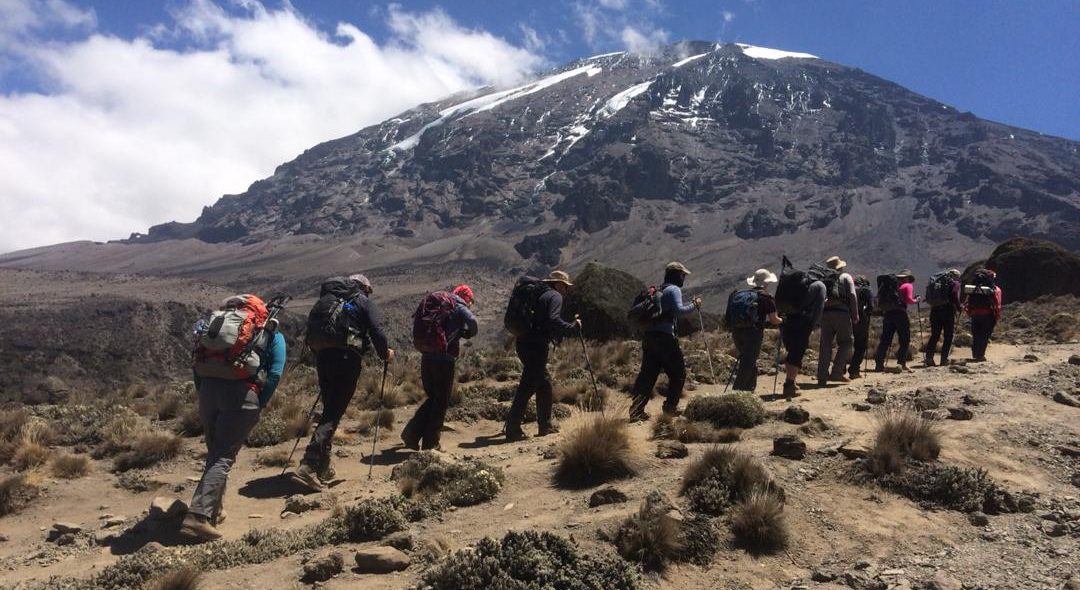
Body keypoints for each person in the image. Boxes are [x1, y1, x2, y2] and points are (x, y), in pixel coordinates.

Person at [181, 297, 287, 542]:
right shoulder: (267, 330)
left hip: (208, 390)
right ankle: (198, 516)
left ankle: (213, 509)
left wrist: (203, 392)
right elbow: (275, 373)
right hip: (242, 394)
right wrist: (259, 401)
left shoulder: (215, 327)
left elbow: (197, 364)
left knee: (215, 452)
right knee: (223, 456)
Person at [295, 274, 394, 491]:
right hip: (346, 359)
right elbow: (377, 331)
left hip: (323, 357)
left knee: (331, 408)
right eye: (369, 290)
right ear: (364, 288)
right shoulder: (363, 301)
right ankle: (309, 465)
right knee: (334, 411)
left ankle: (324, 465)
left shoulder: (329, 299)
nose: (369, 294)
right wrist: (384, 353)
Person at [504, 271, 581, 440]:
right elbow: (553, 319)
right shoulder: (554, 296)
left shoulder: (538, 293)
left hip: (522, 341)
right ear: (559, 284)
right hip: (537, 345)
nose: (565, 291)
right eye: (565, 287)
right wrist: (572, 327)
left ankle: (545, 426)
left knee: (544, 384)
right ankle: (513, 428)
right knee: (527, 386)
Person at [401, 285, 478, 451]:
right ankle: (431, 444)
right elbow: (472, 321)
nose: (470, 304)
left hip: (426, 357)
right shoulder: (459, 306)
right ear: (466, 298)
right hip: (444, 360)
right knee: (441, 401)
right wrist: (469, 333)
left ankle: (411, 434)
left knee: (433, 398)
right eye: (470, 300)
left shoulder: (440, 304)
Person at [629, 262, 700, 421]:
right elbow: (679, 312)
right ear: (677, 275)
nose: (684, 279)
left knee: (648, 375)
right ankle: (670, 408)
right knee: (678, 373)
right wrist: (694, 305)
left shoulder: (658, 290)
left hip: (649, 338)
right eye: (683, 275)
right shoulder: (674, 289)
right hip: (665, 338)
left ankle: (636, 410)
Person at [731, 269, 782, 392]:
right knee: (748, 362)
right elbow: (774, 320)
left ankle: (749, 389)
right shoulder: (766, 298)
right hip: (753, 333)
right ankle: (737, 392)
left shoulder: (742, 295)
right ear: (766, 282)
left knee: (747, 359)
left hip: (737, 331)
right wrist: (783, 320)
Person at [816, 256, 859, 386]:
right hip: (841, 313)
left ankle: (822, 376)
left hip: (825, 314)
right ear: (841, 267)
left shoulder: (823, 279)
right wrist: (855, 314)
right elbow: (852, 294)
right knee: (846, 342)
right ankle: (836, 373)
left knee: (825, 345)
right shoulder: (845, 276)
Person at [781, 278, 826, 399]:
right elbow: (819, 308)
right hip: (803, 322)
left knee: (792, 351)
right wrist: (813, 325)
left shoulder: (800, 284)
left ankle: (791, 382)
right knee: (797, 352)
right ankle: (789, 386)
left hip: (788, 319)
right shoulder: (820, 286)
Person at [875, 269, 918, 372]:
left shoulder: (890, 286)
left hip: (888, 314)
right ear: (907, 278)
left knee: (885, 340)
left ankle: (879, 364)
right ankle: (901, 363)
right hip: (900, 314)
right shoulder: (907, 286)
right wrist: (916, 300)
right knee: (904, 339)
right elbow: (908, 299)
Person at [963, 269, 1002, 362]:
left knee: (976, 334)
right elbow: (997, 304)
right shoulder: (995, 290)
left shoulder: (974, 289)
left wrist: (969, 312)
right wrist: (996, 316)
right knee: (984, 335)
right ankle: (980, 355)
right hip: (988, 314)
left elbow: (968, 301)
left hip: (974, 314)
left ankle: (975, 354)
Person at [924, 269, 962, 366]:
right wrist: (959, 307)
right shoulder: (955, 283)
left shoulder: (938, 282)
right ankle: (944, 359)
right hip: (948, 311)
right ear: (955, 276)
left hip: (935, 310)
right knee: (948, 336)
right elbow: (954, 294)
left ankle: (929, 358)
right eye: (958, 277)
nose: (959, 279)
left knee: (935, 335)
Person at [847, 275, 874, 379]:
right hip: (861, 320)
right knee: (860, 346)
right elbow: (871, 306)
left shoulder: (848, 289)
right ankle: (854, 370)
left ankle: (840, 369)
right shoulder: (866, 290)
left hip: (846, 318)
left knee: (845, 344)